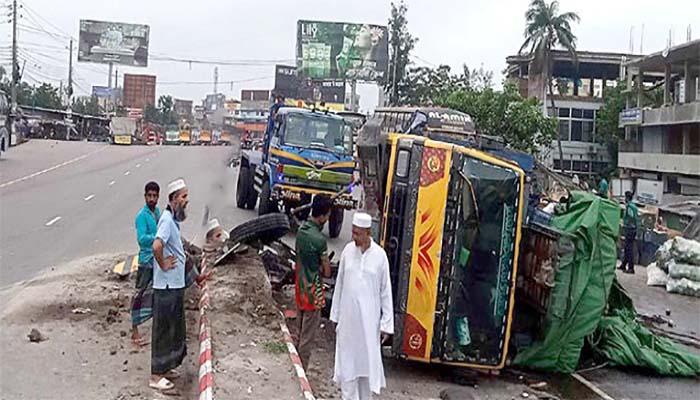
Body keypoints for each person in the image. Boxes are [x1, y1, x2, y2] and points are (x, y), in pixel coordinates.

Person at [330, 212, 394, 400]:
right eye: (353, 232)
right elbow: (339, 285)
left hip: (368, 325)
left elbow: (385, 292)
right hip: (348, 324)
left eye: (358, 234)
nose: (354, 237)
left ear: (368, 233)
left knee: (366, 373)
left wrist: (386, 324)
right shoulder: (348, 252)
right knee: (348, 371)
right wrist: (335, 315)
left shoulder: (380, 257)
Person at [149, 179, 189, 391]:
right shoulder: (166, 220)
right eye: (183, 197)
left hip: (174, 285)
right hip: (165, 287)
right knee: (163, 331)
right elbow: (157, 245)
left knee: (173, 328)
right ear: (173, 200)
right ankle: (155, 376)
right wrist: (163, 263)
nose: (186, 200)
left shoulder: (173, 220)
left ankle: (166, 368)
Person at [294, 195, 332, 369]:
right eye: (328, 215)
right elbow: (326, 271)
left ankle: (293, 364)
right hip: (313, 292)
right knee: (307, 338)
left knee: (298, 331)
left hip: (300, 288)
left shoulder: (301, 231)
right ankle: (301, 371)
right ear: (322, 216)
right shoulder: (319, 240)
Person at [130, 181, 161, 347]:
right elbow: (142, 239)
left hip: (156, 259)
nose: (152, 198)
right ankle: (134, 332)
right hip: (146, 261)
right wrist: (157, 236)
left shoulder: (156, 212)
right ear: (145, 196)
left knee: (155, 294)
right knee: (139, 295)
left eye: (154, 196)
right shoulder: (141, 216)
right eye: (149, 196)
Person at [619, 191, 639, 274]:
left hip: (630, 229)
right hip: (633, 229)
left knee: (629, 249)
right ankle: (623, 264)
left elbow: (631, 217)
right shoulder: (634, 206)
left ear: (627, 198)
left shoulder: (630, 206)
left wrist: (626, 224)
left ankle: (631, 268)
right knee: (627, 248)